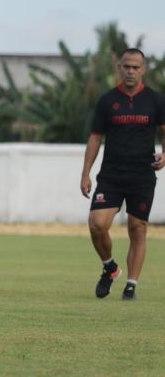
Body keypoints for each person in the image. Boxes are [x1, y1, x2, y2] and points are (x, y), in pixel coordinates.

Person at [80, 48, 165, 301]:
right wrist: (85, 173)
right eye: (126, 66)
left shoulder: (155, 100)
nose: (131, 71)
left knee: (137, 228)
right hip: (111, 175)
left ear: (143, 70)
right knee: (97, 225)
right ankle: (110, 267)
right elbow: (95, 137)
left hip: (142, 174)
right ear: (120, 68)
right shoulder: (108, 100)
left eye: (135, 67)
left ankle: (131, 285)